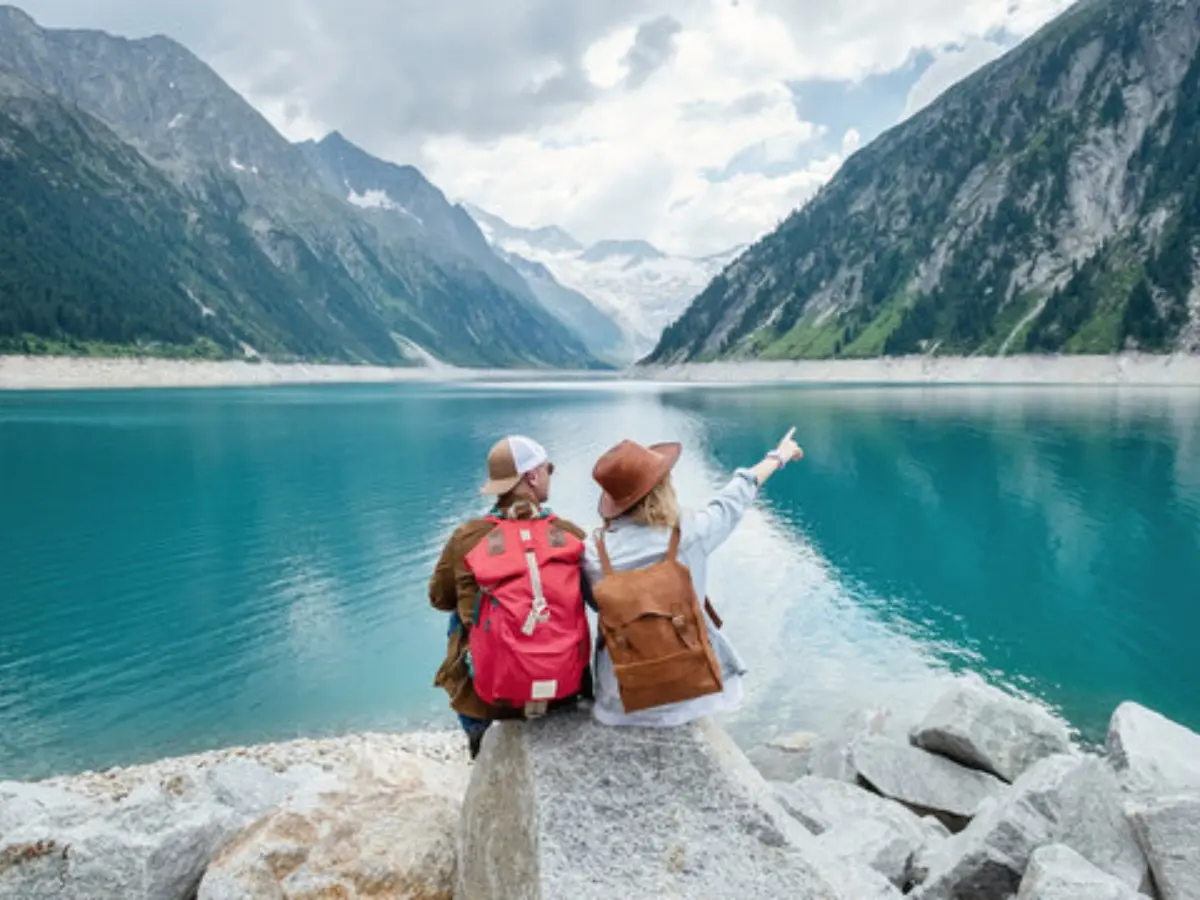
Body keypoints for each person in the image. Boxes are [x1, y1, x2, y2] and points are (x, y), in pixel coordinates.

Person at [583, 427, 804, 727]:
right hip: (693, 695)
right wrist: (779, 455)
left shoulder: (593, 555)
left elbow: (598, 606)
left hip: (620, 702)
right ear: (662, 489)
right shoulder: (690, 532)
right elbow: (735, 496)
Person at [429, 434, 592, 759]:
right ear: (532, 476)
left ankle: (478, 741)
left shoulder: (467, 537)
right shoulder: (571, 535)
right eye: (548, 470)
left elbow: (439, 598)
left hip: (491, 696)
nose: (548, 476)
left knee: (463, 617)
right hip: (563, 686)